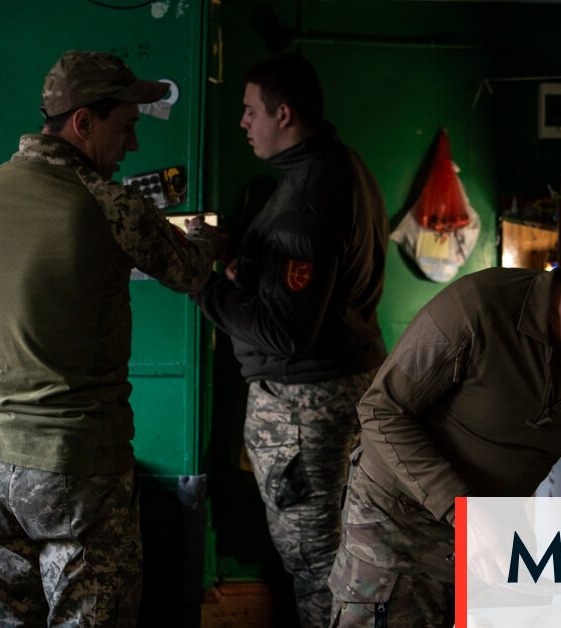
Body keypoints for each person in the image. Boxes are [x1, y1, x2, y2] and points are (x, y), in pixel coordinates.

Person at [0, 50, 226, 626]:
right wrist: (205, 237)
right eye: (125, 127)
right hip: (76, 471)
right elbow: (191, 272)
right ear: (83, 122)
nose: (132, 145)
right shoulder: (108, 203)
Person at [328, 247, 561, 627]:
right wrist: (464, 512)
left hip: (495, 537)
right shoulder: (478, 308)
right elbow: (382, 410)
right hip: (396, 527)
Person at [189, 52, 389, 627]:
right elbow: (307, 280)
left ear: (284, 114)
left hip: (304, 405)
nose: (243, 122)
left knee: (315, 560)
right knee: (341, 549)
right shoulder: (339, 166)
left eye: (251, 111)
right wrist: (240, 254)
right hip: (342, 386)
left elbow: (284, 330)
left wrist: (198, 280)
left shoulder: (306, 198)